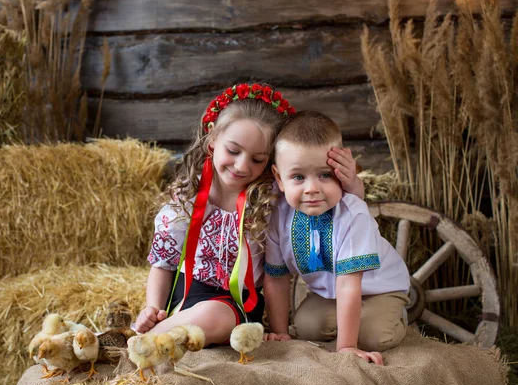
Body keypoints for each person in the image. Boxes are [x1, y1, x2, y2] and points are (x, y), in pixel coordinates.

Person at [134, 84, 362, 346]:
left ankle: (142, 344)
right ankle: (148, 335)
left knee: (212, 315)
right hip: (182, 295)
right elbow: (164, 263)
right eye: (233, 151)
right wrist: (152, 308)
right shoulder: (190, 195)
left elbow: (340, 205)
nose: (242, 166)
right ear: (212, 141)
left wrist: (351, 181)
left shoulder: (274, 197)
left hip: (237, 304)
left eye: (258, 159)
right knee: (192, 315)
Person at [263, 111, 410, 365]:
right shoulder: (279, 215)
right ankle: (352, 321)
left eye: (325, 174)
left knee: (374, 336)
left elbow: (348, 285)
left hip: (379, 289)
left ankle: (396, 313)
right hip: (328, 293)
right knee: (308, 327)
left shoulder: (352, 215)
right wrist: (280, 332)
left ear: (341, 172)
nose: (312, 188)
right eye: (298, 177)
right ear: (279, 178)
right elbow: (276, 277)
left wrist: (346, 347)